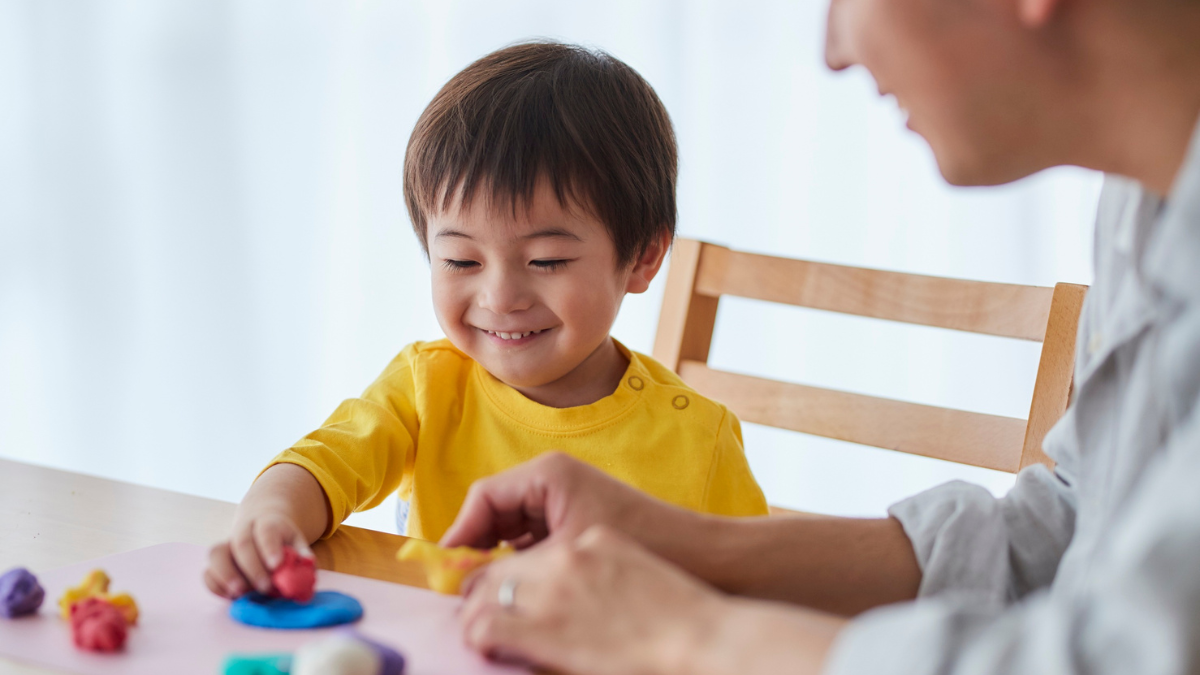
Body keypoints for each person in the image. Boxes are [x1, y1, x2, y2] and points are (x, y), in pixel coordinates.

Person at [442, 1, 1200, 674]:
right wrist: (684, 545)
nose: (832, 50)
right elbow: (1067, 528)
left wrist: (690, 634)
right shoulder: (1146, 201)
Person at [203, 42, 768, 600]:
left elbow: (753, 603)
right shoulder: (425, 385)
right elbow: (325, 465)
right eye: (461, 261)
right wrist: (271, 513)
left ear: (642, 256)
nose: (499, 297)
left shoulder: (700, 440)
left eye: (547, 260)